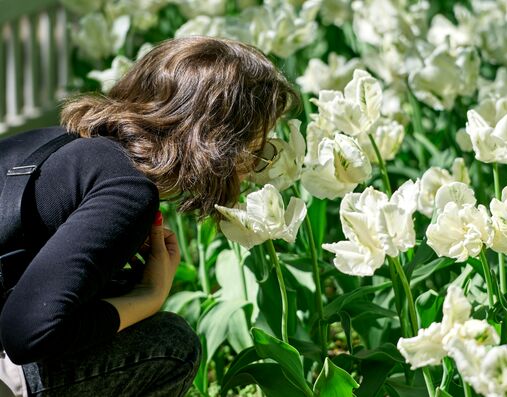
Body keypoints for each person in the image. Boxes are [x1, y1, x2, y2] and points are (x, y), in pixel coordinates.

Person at [0, 35, 298, 396]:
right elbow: (28, 333)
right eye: (258, 147)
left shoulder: (58, 143)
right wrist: (149, 297)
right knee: (170, 347)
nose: (255, 168)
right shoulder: (129, 189)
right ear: (219, 142)